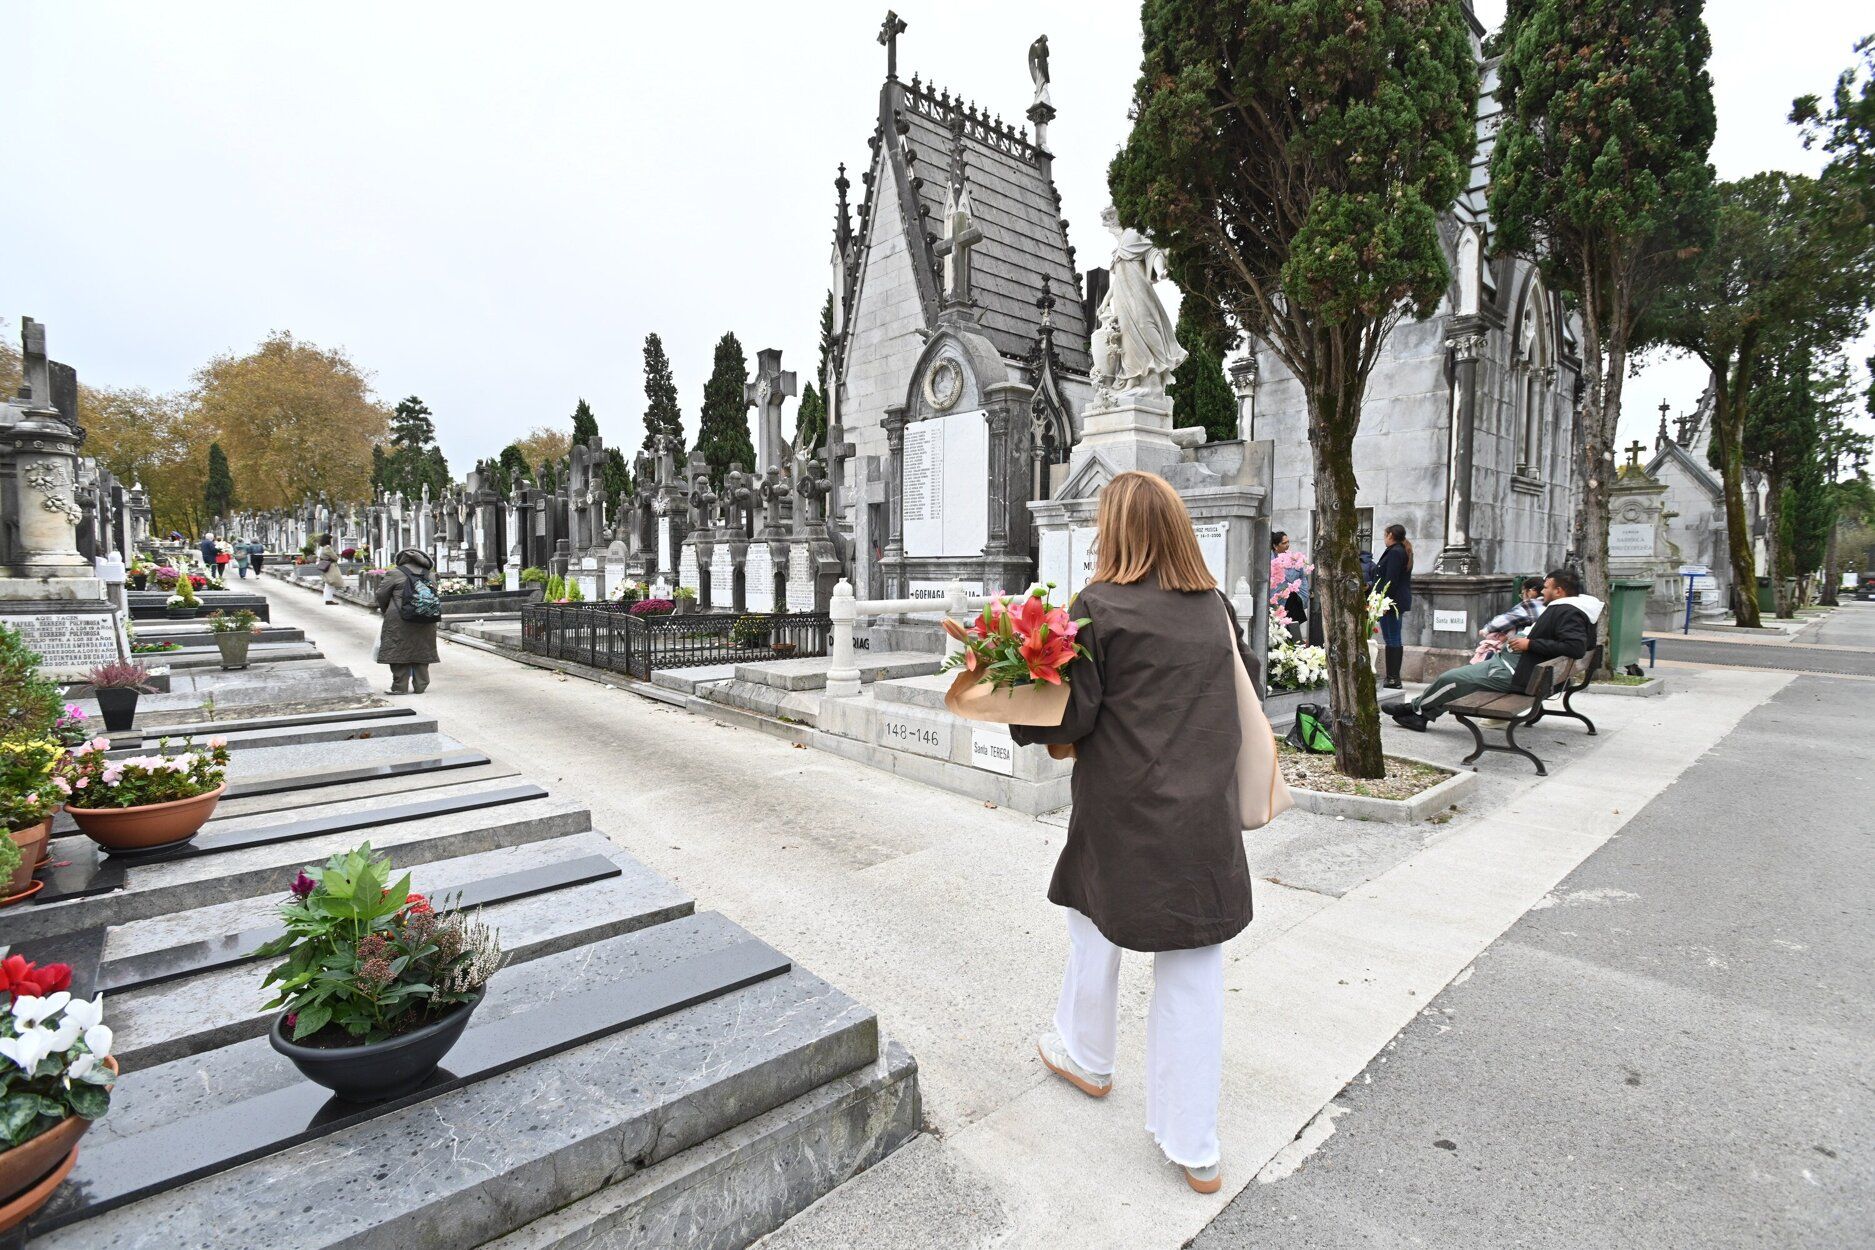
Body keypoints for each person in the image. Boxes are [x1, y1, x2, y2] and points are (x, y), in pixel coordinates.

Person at [1008, 471, 1268, 1196]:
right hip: (1202, 819)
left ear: (1115, 531)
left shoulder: (1100, 605)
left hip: (1121, 813)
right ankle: (1195, 1145)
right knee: (1192, 972)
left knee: (1092, 927)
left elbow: (1069, 717)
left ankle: (1087, 1057)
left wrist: (1012, 695)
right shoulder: (1213, 608)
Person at [1386, 568, 1600, 731]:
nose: (1542, 591)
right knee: (1464, 679)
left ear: (1559, 591)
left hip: (1516, 671)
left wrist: (1529, 644)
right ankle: (1418, 712)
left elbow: (1576, 647)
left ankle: (1415, 709)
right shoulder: (1574, 608)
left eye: (1546, 587)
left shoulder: (1568, 611)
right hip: (1524, 667)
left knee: (1451, 678)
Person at [374, 547, 440, 694]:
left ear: (401, 559)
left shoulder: (394, 573)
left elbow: (381, 594)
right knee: (422, 648)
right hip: (426, 616)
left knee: (398, 648)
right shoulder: (431, 575)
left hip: (399, 616)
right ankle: (421, 685)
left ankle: (399, 687)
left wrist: (387, 610)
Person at [1369, 524, 1413, 689]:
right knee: (1392, 638)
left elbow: (1391, 580)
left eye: (1385, 534)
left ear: (1390, 535)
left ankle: (1393, 678)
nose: (1384, 537)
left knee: (1392, 638)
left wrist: (1384, 602)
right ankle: (1392, 677)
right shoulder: (1399, 550)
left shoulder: (1395, 552)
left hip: (1391, 602)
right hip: (1392, 601)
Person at [1469, 577, 1545, 663]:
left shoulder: (1531, 605)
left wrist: (1487, 629)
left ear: (1531, 591)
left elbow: (1506, 619)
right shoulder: (1550, 605)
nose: (1523, 598)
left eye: (1523, 593)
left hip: (1518, 652)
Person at [314, 533, 344, 605]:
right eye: (331, 539)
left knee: (328, 583)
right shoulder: (327, 547)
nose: (332, 541)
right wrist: (336, 557)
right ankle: (328, 599)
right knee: (331, 582)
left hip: (325, 566)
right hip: (330, 567)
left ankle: (328, 599)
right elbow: (335, 557)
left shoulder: (321, 548)